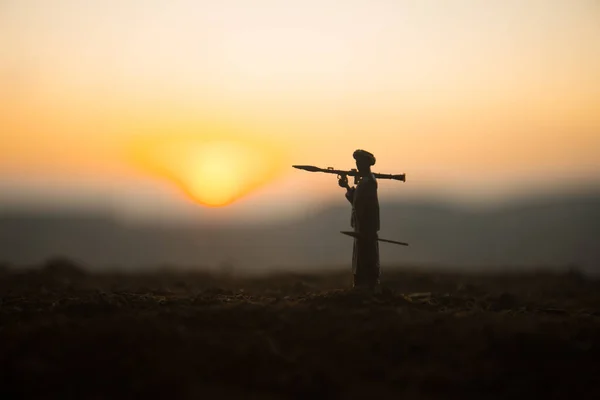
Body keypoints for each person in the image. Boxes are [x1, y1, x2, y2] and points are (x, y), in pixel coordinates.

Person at [338, 149, 380, 290]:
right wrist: (347, 186)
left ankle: (367, 286)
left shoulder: (368, 183)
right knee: (360, 258)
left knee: (366, 258)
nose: (357, 165)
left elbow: (362, 204)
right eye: (356, 162)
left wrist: (364, 229)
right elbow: (357, 202)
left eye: (359, 162)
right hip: (361, 227)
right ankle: (362, 285)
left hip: (366, 228)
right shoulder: (365, 182)